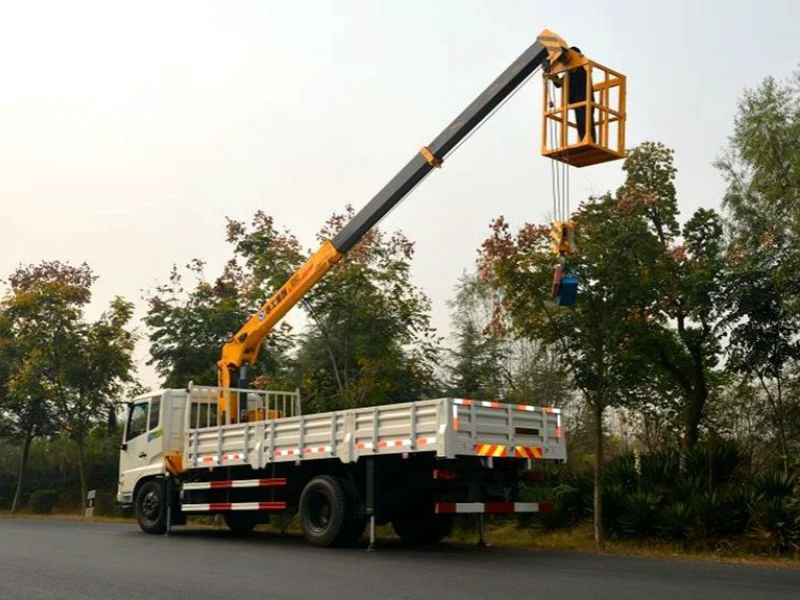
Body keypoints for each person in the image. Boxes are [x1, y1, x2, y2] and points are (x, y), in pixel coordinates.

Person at [566, 47, 595, 143]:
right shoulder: (569, 73)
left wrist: (581, 58)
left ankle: (591, 141)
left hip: (585, 101)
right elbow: (558, 84)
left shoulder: (583, 69)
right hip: (576, 103)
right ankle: (584, 141)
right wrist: (552, 75)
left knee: (587, 123)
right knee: (580, 124)